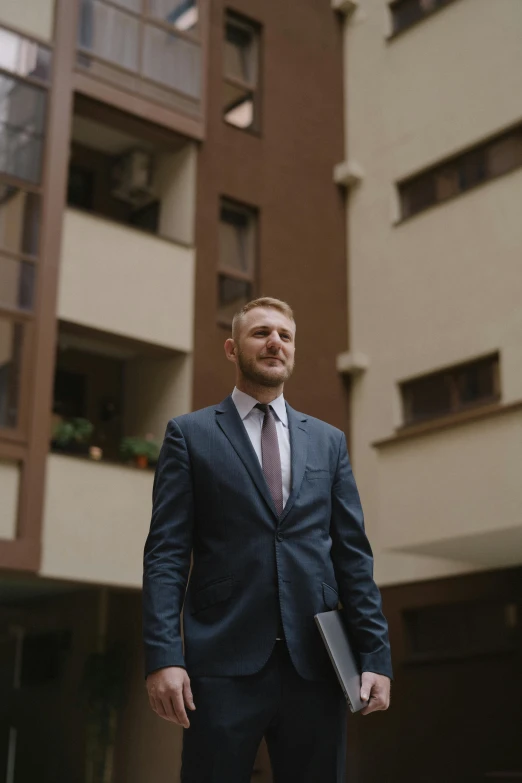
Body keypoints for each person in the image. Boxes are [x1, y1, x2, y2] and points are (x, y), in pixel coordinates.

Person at [143, 297, 392, 783]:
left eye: (285, 335)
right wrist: (163, 656)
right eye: (261, 333)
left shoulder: (328, 441)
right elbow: (166, 556)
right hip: (221, 664)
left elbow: (353, 557)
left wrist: (376, 655)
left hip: (317, 665)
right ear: (232, 348)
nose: (275, 341)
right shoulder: (189, 436)